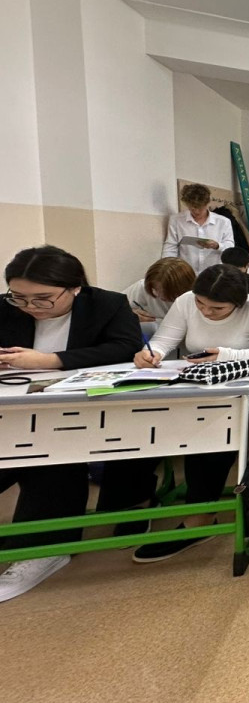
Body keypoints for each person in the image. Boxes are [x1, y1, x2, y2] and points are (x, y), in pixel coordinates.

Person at [0, 246, 143, 602]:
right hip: (11, 412)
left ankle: (42, 550)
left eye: (43, 299)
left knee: (50, 457)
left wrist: (51, 360)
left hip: (82, 414)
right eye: (19, 297)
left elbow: (124, 348)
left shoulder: (107, 304)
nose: (30, 307)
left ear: (75, 287)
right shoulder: (6, 307)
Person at [128, 264, 249, 562]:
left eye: (217, 308)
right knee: (146, 420)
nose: (206, 312)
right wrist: (153, 354)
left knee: (212, 426)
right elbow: (165, 340)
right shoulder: (185, 302)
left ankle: (201, 517)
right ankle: (134, 502)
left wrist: (228, 355)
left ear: (238, 303)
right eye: (201, 304)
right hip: (199, 384)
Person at [162, 183, 234, 273]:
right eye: (192, 208)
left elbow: (230, 246)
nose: (196, 211)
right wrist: (167, 270)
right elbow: (170, 246)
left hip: (215, 273)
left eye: (200, 208)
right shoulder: (176, 220)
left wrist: (217, 245)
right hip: (186, 273)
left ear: (207, 204)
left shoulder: (223, 222)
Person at [124, 257, 196, 323]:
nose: (158, 294)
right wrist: (129, 314)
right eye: (155, 288)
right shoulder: (142, 286)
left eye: (165, 291)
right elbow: (118, 307)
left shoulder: (194, 299)